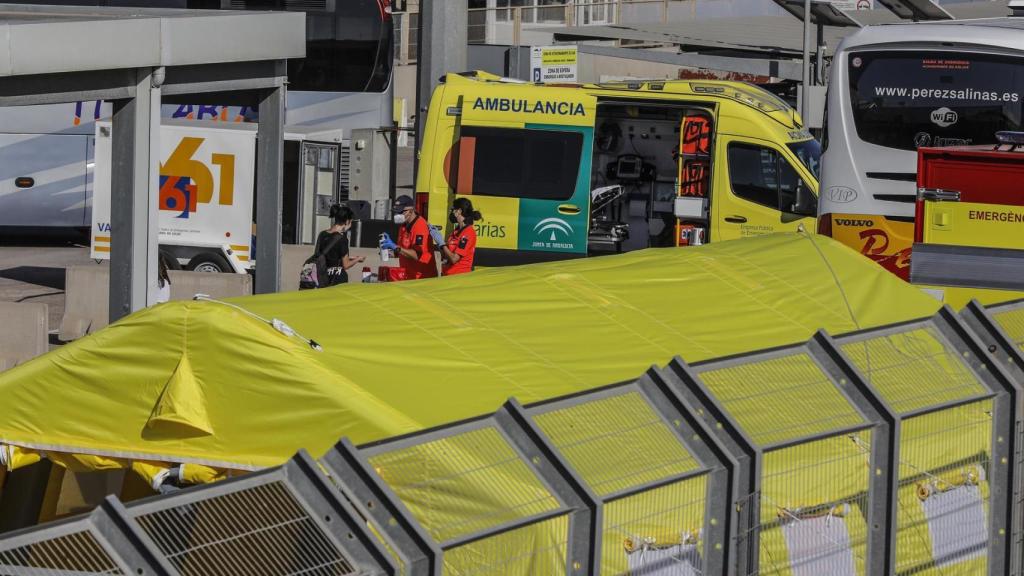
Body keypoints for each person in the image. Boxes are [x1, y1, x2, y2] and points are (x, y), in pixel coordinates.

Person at [380, 195, 438, 280]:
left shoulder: (420, 226)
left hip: (422, 278)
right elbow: (404, 250)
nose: (397, 215)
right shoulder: (403, 226)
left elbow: (417, 255)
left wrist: (396, 247)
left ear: (410, 211)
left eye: (400, 212)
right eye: (396, 212)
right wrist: (390, 253)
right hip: (408, 276)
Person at [313, 204, 365, 287]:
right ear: (347, 221)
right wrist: (358, 259)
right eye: (351, 222)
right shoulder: (342, 238)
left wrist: (351, 257)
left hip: (323, 278)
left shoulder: (322, 234)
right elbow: (346, 265)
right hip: (337, 280)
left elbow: (321, 255)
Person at [435, 198, 481, 276]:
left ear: (459, 211)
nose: (451, 212)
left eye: (453, 209)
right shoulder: (456, 231)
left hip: (458, 276)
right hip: (447, 274)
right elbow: (447, 254)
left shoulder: (468, 233)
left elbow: (454, 259)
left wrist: (442, 244)